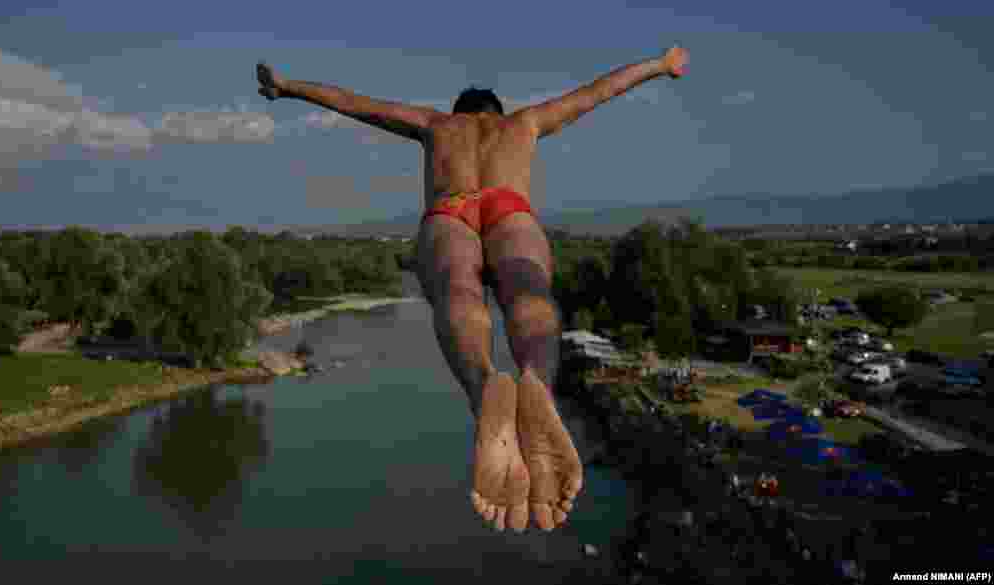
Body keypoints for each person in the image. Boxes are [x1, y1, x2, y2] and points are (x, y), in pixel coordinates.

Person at [255, 47, 690, 533]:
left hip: (451, 210)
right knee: (530, 293)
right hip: (511, 210)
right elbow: (598, 91)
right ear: (496, 113)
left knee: (458, 293)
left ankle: (484, 387)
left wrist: (288, 87)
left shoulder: (437, 124)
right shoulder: (526, 123)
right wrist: (660, 65)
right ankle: (537, 385)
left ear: (459, 112)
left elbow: (356, 103)